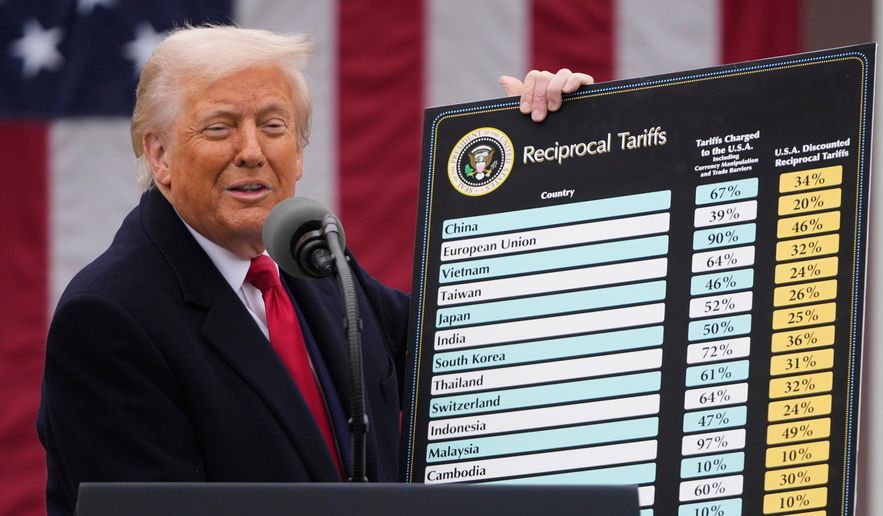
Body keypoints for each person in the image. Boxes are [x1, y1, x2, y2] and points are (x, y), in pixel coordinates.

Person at [36, 25, 593, 516]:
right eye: (220, 128)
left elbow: (474, 352)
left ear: (299, 153)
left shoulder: (313, 260)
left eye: (273, 125)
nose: (252, 151)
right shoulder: (108, 320)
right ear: (159, 156)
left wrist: (550, 155)